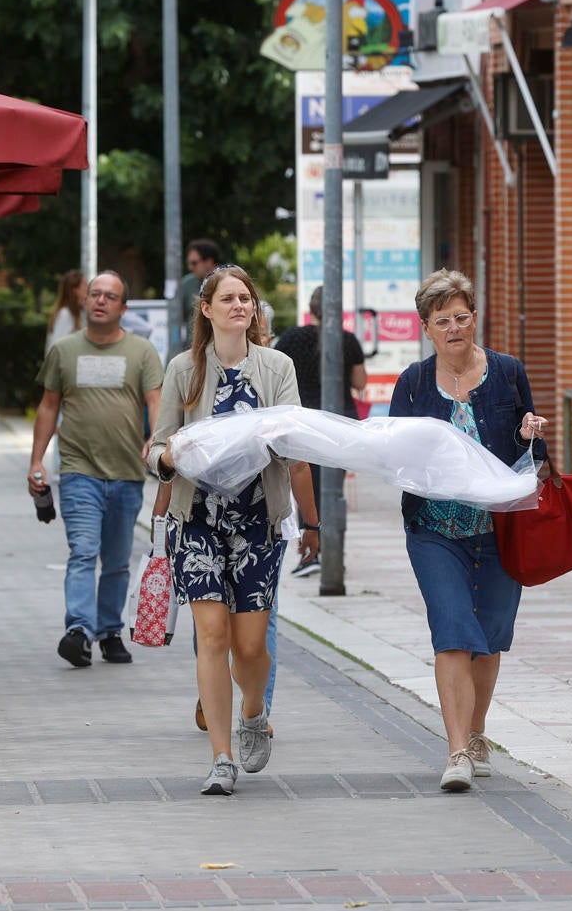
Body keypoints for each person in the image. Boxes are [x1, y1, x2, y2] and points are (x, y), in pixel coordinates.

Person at [149, 265, 319, 797]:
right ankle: (220, 757)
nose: (240, 306)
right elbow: (154, 448)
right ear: (207, 309)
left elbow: (294, 447)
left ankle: (253, 711)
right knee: (212, 635)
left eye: (246, 298)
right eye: (229, 298)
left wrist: (312, 521)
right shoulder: (184, 369)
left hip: (256, 522)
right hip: (195, 520)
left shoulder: (277, 367)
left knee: (250, 646)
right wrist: (169, 457)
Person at [387, 269, 546, 793]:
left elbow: (534, 460)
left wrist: (530, 438)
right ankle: (457, 750)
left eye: (461, 317)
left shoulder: (506, 372)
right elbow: (394, 453)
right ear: (427, 329)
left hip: (500, 529)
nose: (454, 327)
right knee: (453, 631)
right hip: (435, 528)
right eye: (442, 321)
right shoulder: (412, 383)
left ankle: (478, 732)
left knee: (491, 635)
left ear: (474, 318)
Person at [30, 271, 164, 669]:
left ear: (123, 307)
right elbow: (48, 406)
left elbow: (155, 401)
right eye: (94, 295)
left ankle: (109, 631)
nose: (101, 301)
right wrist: (37, 460)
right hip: (78, 470)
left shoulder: (142, 352)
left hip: (126, 472)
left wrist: (155, 441)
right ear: (84, 302)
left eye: (110, 296)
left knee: (118, 560)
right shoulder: (64, 350)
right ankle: (79, 631)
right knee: (84, 551)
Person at [272, 285, 369, 576]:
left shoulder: (290, 338)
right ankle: (330, 552)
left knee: (306, 488)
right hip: (340, 424)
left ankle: (310, 554)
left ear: (311, 309)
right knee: (331, 490)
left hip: (303, 421)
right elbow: (361, 383)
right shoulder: (348, 340)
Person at [176, 239, 221, 337]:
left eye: (194, 263)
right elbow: (176, 319)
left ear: (209, 261)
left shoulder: (230, 282)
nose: (190, 268)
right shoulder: (186, 285)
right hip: (194, 347)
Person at [47, 271, 86, 346]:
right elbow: (57, 347)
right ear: (75, 290)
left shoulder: (81, 312)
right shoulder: (65, 314)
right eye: (85, 285)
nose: (88, 288)